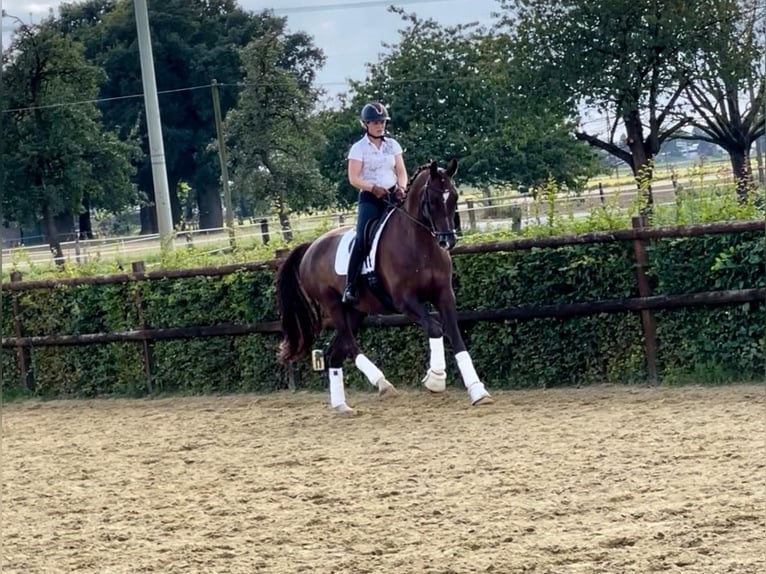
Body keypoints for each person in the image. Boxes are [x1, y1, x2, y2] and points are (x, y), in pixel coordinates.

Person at [342, 102, 408, 304]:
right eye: (375, 123)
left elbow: (401, 171)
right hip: (371, 198)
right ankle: (350, 286)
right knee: (362, 238)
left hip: (393, 196)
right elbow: (353, 178)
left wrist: (402, 188)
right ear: (365, 124)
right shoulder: (358, 148)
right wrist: (372, 188)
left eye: (382, 122)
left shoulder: (393, 145)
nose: (380, 126)